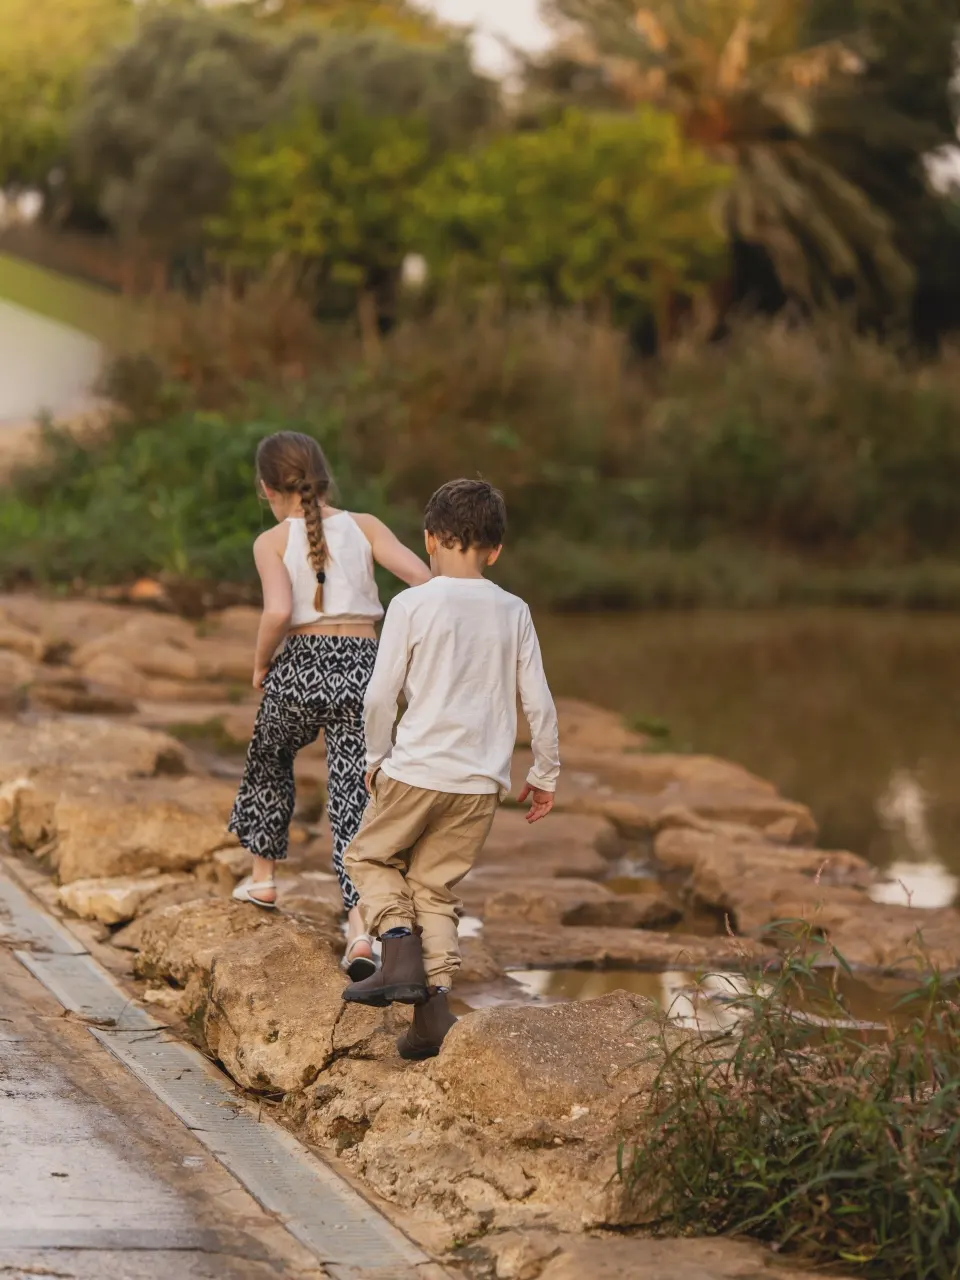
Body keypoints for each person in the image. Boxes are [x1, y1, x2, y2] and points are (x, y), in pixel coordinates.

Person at [341, 477, 560, 1059]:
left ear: (430, 539)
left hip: (416, 769)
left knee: (366, 855)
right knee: (434, 890)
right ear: (495, 550)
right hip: (480, 783)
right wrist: (544, 772)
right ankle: (432, 1012)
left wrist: (373, 756)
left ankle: (395, 945)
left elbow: (380, 695)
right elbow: (537, 699)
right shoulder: (514, 609)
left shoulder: (412, 603)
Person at [228, 431, 432, 980]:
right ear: (323, 476)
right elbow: (422, 579)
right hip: (364, 668)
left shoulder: (270, 541)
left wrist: (259, 664)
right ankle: (360, 931)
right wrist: (403, 648)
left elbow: (276, 612)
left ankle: (264, 876)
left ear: (267, 488)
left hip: (300, 663)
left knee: (268, 758)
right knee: (354, 797)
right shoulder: (366, 526)